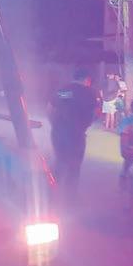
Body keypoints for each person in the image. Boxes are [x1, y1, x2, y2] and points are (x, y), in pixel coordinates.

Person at [48, 69, 97, 205]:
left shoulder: (66, 91)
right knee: (74, 166)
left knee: (60, 160)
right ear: (86, 79)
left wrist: (55, 124)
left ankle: (50, 191)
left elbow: (51, 108)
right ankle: (70, 198)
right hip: (77, 134)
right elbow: (93, 114)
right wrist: (84, 126)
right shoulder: (88, 93)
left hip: (59, 132)